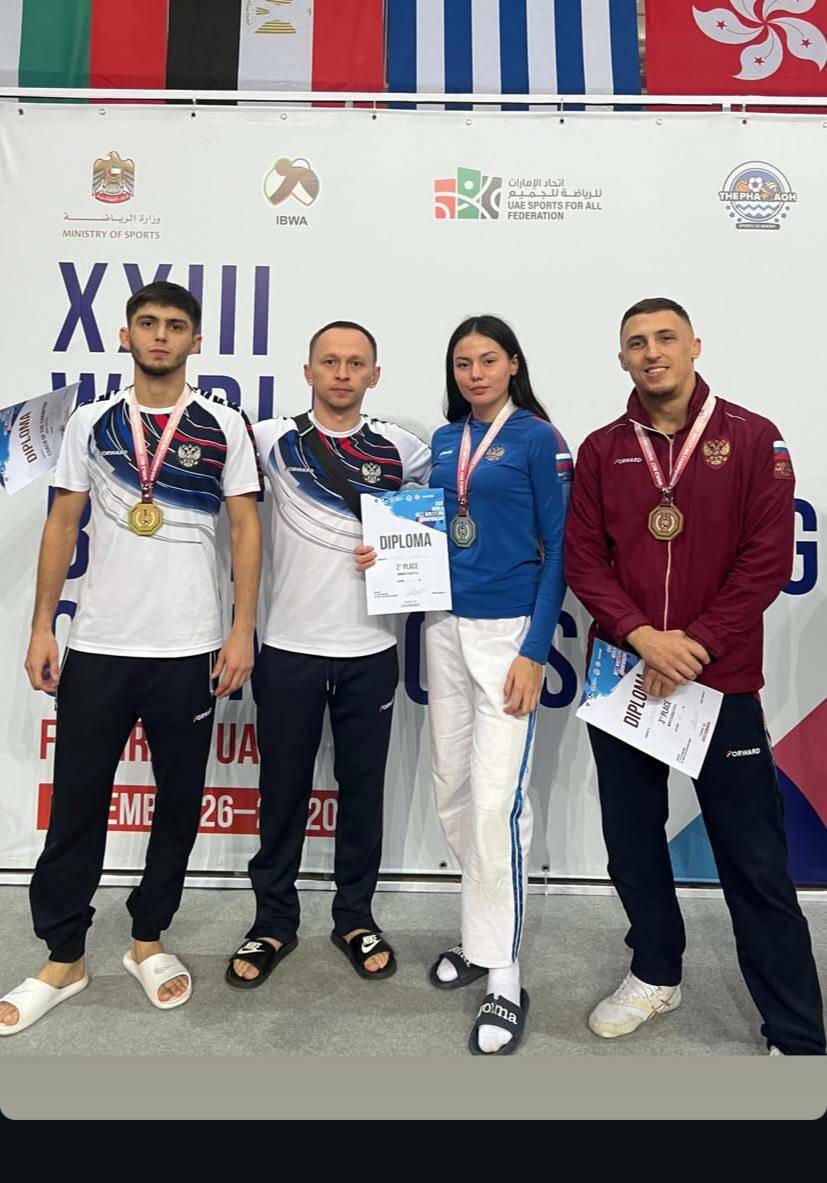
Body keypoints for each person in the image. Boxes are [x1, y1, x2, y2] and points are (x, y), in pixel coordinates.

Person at [563, 296, 825, 1055]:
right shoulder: (602, 448)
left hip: (720, 679)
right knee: (631, 842)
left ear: (694, 346)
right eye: (636, 342)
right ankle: (655, 971)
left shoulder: (753, 437)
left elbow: (766, 562)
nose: (651, 352)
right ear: (621, 359)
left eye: (665, 338)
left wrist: (696, 645)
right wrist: (646, 637)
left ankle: (796, 1032)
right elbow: (584, 560)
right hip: (626, 674)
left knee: (754, 859)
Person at [0, 281, 262, 1035]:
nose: (160, 336)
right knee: (76, 803)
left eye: (175, 326)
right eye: (147, 323)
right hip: (100, 646)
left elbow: (246, 529)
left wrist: (241, 628)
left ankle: (148, 938)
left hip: (188, 647)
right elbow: (62, 523)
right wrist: (41, 626)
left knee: (178, 804)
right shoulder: (92, 422)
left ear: (195, 341)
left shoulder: (222, 425)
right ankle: (64, 956)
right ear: (125, 335)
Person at [226, 320, 430, 988]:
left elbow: (430, 529)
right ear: (308, 371)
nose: (342, 373)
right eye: (330, 361)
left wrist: (398, 550)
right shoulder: (267, 439)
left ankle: (354, 915)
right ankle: (272, 920)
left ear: (375, 375)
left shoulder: (405, 450)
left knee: (362, 792)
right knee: (281, 791)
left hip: (370, 649)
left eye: (356, 363)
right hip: (289, 648)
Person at [423, 314, 572, 1055]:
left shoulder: (537, 438)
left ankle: (504, 978)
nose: (474, 373)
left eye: (487, 360)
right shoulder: (443, 441)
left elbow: (561, 548)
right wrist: (383, 556)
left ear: (512, 364)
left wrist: (534, 649)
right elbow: (430, 528)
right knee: (453, 792)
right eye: (462, 363)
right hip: (442, 629)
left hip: (507, 633)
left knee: (494, 805)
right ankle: (480, 938)